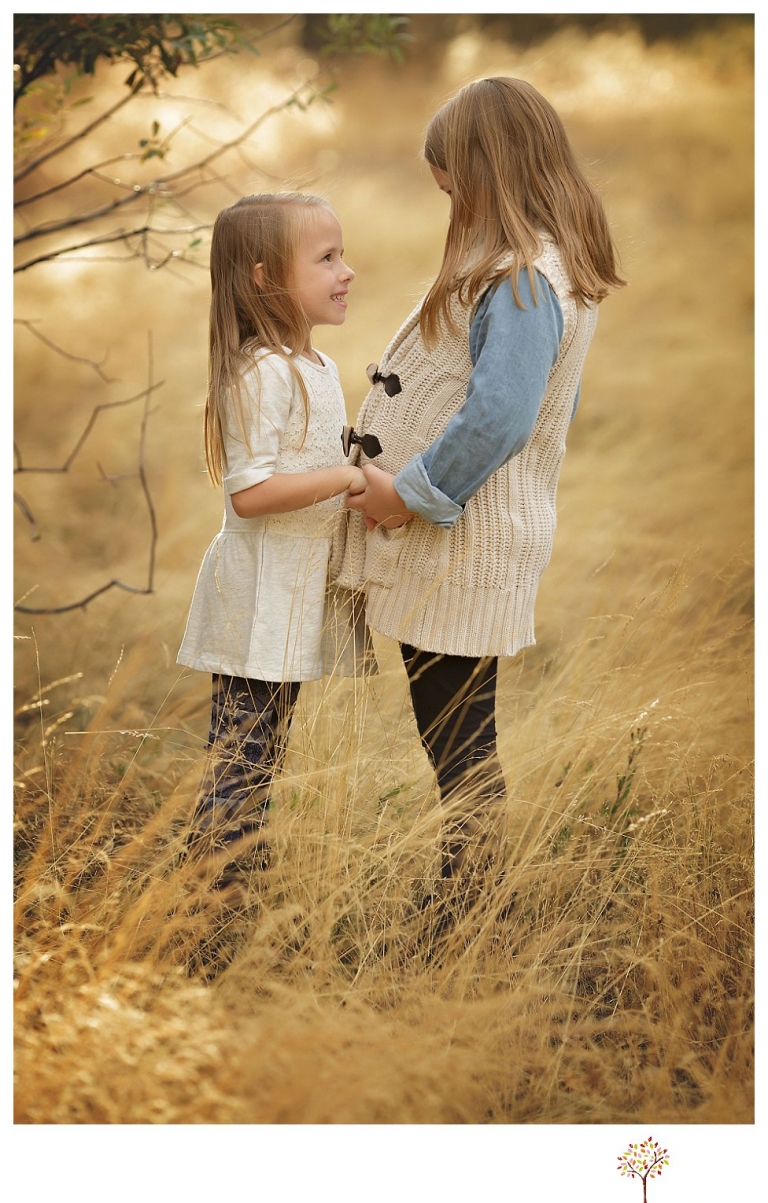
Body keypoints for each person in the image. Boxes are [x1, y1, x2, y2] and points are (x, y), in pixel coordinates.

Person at [337, 77, 625, 885]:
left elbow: (501, 417)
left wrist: (406, 491)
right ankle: (468, 894)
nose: (450, 202)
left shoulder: (526, 281)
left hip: (464, 540)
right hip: (458, 543)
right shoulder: (530, 268)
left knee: (459, 740)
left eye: (454, 186)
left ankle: (469, 903)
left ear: (485, 172)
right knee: (454, 734)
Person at [177, 192, 369, 889]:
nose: (346, 271)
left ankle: (239, 883)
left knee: (262, 755)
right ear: (265, 277)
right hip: (257, 595)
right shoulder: (262, 371)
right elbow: (251, 494)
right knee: (241, 762)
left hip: (289, 598)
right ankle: (206, 899)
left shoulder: (315, 366)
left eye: (342, 254)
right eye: (326, 258)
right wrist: (343, 478)